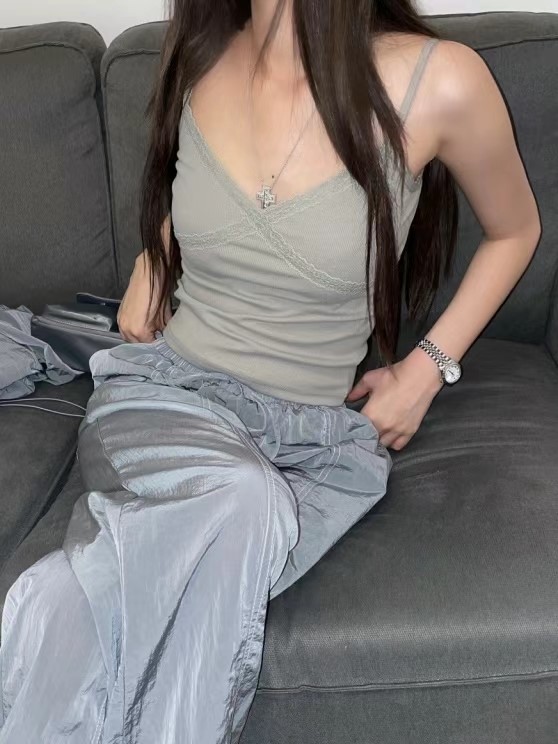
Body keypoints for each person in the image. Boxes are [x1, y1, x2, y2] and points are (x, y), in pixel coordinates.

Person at [0, 1, 541, 742]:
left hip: (309, 445)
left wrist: (427, 369)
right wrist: (157, 254)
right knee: (240, 500)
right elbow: (201, 199)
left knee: (113, 581)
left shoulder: (439, 81)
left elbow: (516, 230)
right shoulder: (201, 55)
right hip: (166, 398)